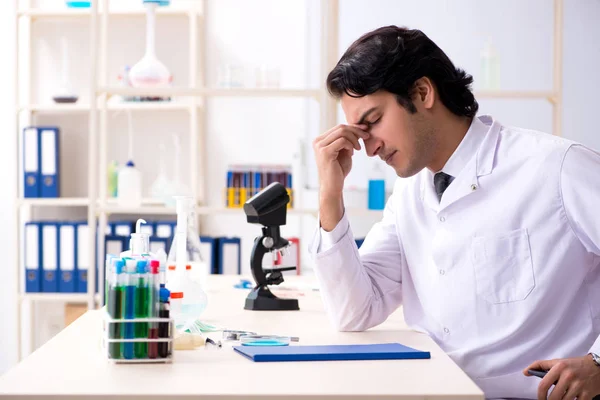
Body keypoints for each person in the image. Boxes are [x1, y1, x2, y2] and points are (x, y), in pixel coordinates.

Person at [309, 25, 600, 400]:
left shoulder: (557, 166)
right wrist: (330, 195)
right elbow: (354, 311)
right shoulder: (409, 194)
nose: (369, 148)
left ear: (422, 92)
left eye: (374, 121)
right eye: (359, 133)